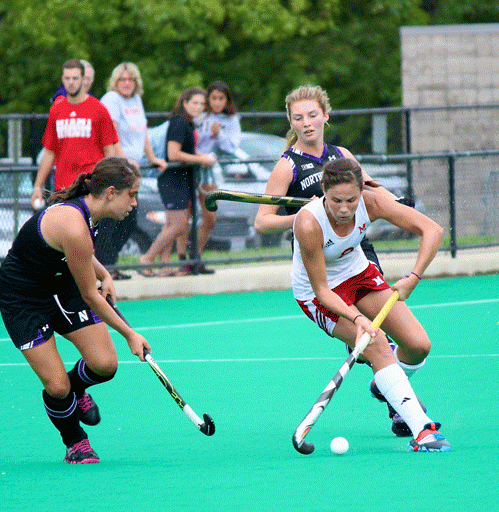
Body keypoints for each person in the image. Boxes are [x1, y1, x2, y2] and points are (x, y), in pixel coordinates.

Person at [254, 85, 409, 435]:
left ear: (325, 115)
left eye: (312, 115)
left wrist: (395, 201)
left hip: (356, 250)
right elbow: (262, 222)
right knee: (368, 336)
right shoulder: (287, 166)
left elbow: (368, 189)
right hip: (319, 257)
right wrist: (304, 217)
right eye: (298, 118)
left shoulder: (341, 153)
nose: (307, 123)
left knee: (380, 330)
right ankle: (397, 401)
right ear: (291, 121)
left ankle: (395, 401)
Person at [0, 157, 150, 464]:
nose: (134, 202)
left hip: (59, 284)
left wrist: (105, 274)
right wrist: (130, 334)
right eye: (130, 194)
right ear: (110, 193)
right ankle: (75, 441)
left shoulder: (88, 214)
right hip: (23, 295)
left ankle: (75, 391)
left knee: (105, 364)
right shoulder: (74, 222)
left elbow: (82, 254)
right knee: (57, 385)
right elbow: (90, 296)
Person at [291, 157, 450, 452]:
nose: (343, 209)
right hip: (318, 293)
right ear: (323, 189)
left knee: (418, 345)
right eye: (336, 200)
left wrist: (413, 278)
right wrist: (356, 319)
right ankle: (422, 431)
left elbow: (433, 230)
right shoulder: (308, 222)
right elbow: (322, 290)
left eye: (351, 200)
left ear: (361, 191)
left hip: (359, 274)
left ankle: (385, 384)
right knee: (375, 344)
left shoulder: (371, 204)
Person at [94, 62, 168, 278]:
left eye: (130, 80)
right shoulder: (111, 100)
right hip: (117, 167)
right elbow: (111, 134)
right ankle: (104, 267)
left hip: (131, 170)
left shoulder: (136, 100)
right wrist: (124, 161)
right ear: (115, 82)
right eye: (122, 80)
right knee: (111, 219)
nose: (127, 84)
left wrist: (152, 157)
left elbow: (142, 131)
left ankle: (110, 265)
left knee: (128, 220)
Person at [138, 87, 216, 277]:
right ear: (184, 103)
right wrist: (201, 160)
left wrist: (198, 155)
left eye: (201, 104)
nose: (198, 107)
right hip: (173, 181)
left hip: (182, 180)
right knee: (179, 226)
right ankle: (147, 258)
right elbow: (173, 154)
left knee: (171, 225)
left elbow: (184, 152)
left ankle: (165, 265)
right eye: (194, 103)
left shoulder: (187, 123)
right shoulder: (179, 122)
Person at [32, 59, 121, 211]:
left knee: (86, 232)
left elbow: (109, 151)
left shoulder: (98, 109)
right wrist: (37, 186)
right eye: (67, 78)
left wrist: (107, 182)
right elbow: (49, 152)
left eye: (75, 78)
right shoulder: (56, 110)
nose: (71, 82)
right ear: (62, 80)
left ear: (83, 79)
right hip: (63, 188)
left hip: (90, 186)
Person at [192, 80, 242, 270]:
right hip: (192, 167)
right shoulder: (199, 116)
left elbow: (231, 148)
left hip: (210, 173)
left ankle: (195, 257)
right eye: (213, 98)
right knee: (182, 218)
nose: (217, 102)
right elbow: (191, 142)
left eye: (221, 98)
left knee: (210, 217)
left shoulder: (232, 119)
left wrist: (219, 133)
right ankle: (183, 260)